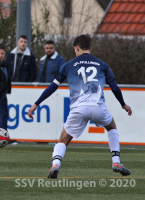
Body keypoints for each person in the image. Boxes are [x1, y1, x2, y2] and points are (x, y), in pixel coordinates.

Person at [28, 34, 132, 179]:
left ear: (76, 48)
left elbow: (53, 87)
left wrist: (36, 104)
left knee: (63, 140)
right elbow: (114, 87)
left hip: (78, 108)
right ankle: (116, 162)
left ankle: (56, 164)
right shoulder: (102, 65)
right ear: (90, 48)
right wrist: (123, 104)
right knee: (112, 128)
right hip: (98, 107)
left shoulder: (68, 65)